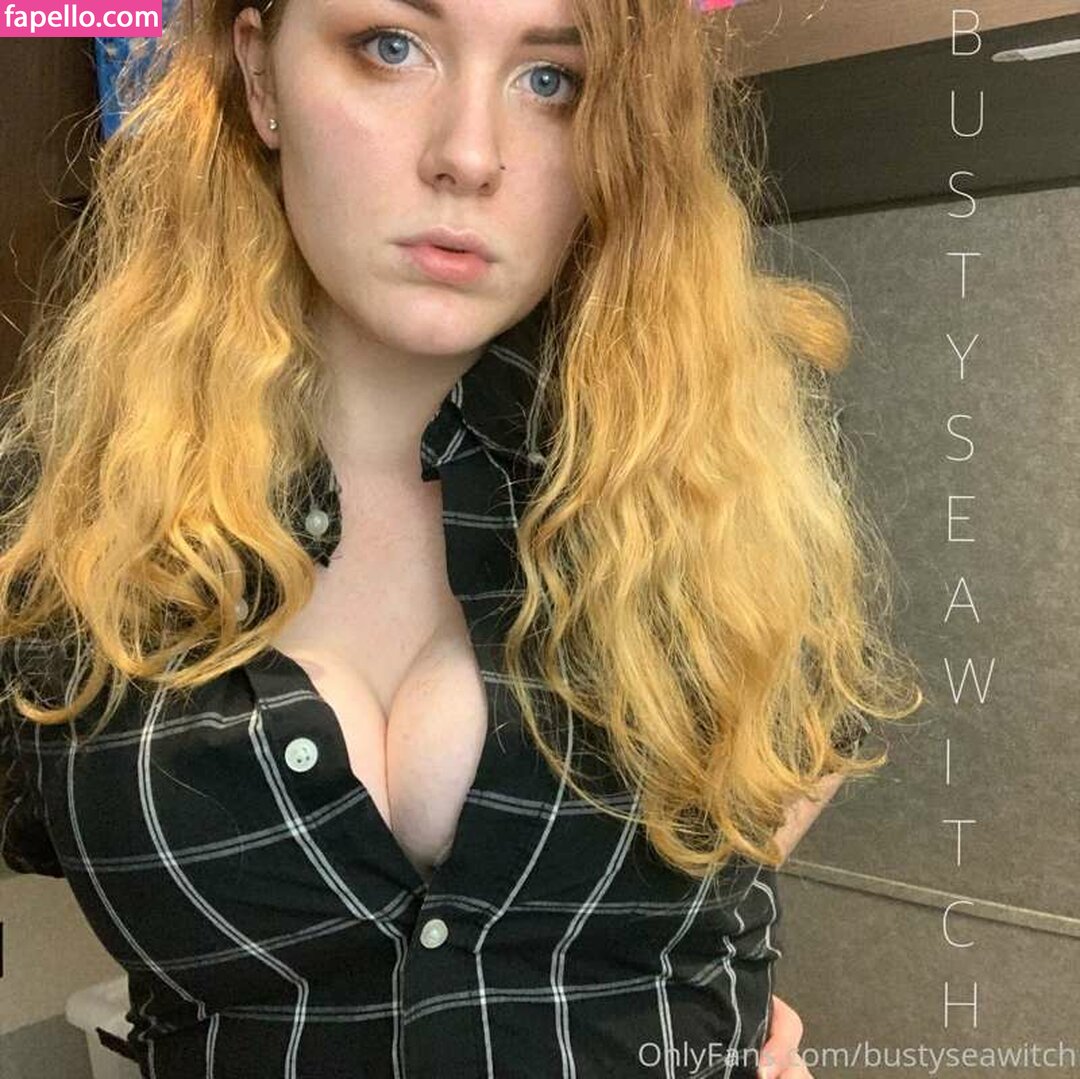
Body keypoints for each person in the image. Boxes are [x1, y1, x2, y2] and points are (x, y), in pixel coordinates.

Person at [0, 0, 923, 1076]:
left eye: (553, 80)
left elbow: (760, 831)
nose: (469, 157)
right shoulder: (59, 512)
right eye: (391, 48)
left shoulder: (741, 465)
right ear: (259, 75)